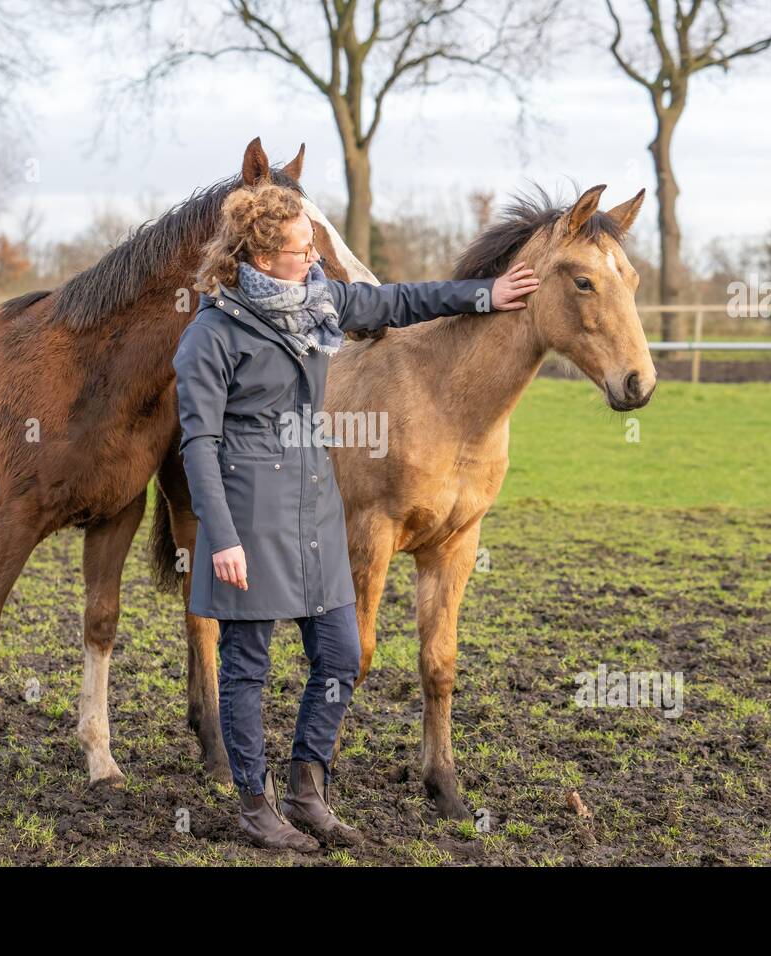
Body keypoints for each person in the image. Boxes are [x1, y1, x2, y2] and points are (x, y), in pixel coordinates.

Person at [172, 181, 540, 851]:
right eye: (298, 247)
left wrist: (488, 295)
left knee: (341, 654)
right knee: (247, 666)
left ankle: (307, 790)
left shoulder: (321, 300)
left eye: (311, 243)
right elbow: (197, 442)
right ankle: (257, 806)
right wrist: (219, 536)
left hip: (315, 509)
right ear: (257, 256)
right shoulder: (211, 334)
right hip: (250, 516)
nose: (313, 256)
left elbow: (401, 301)